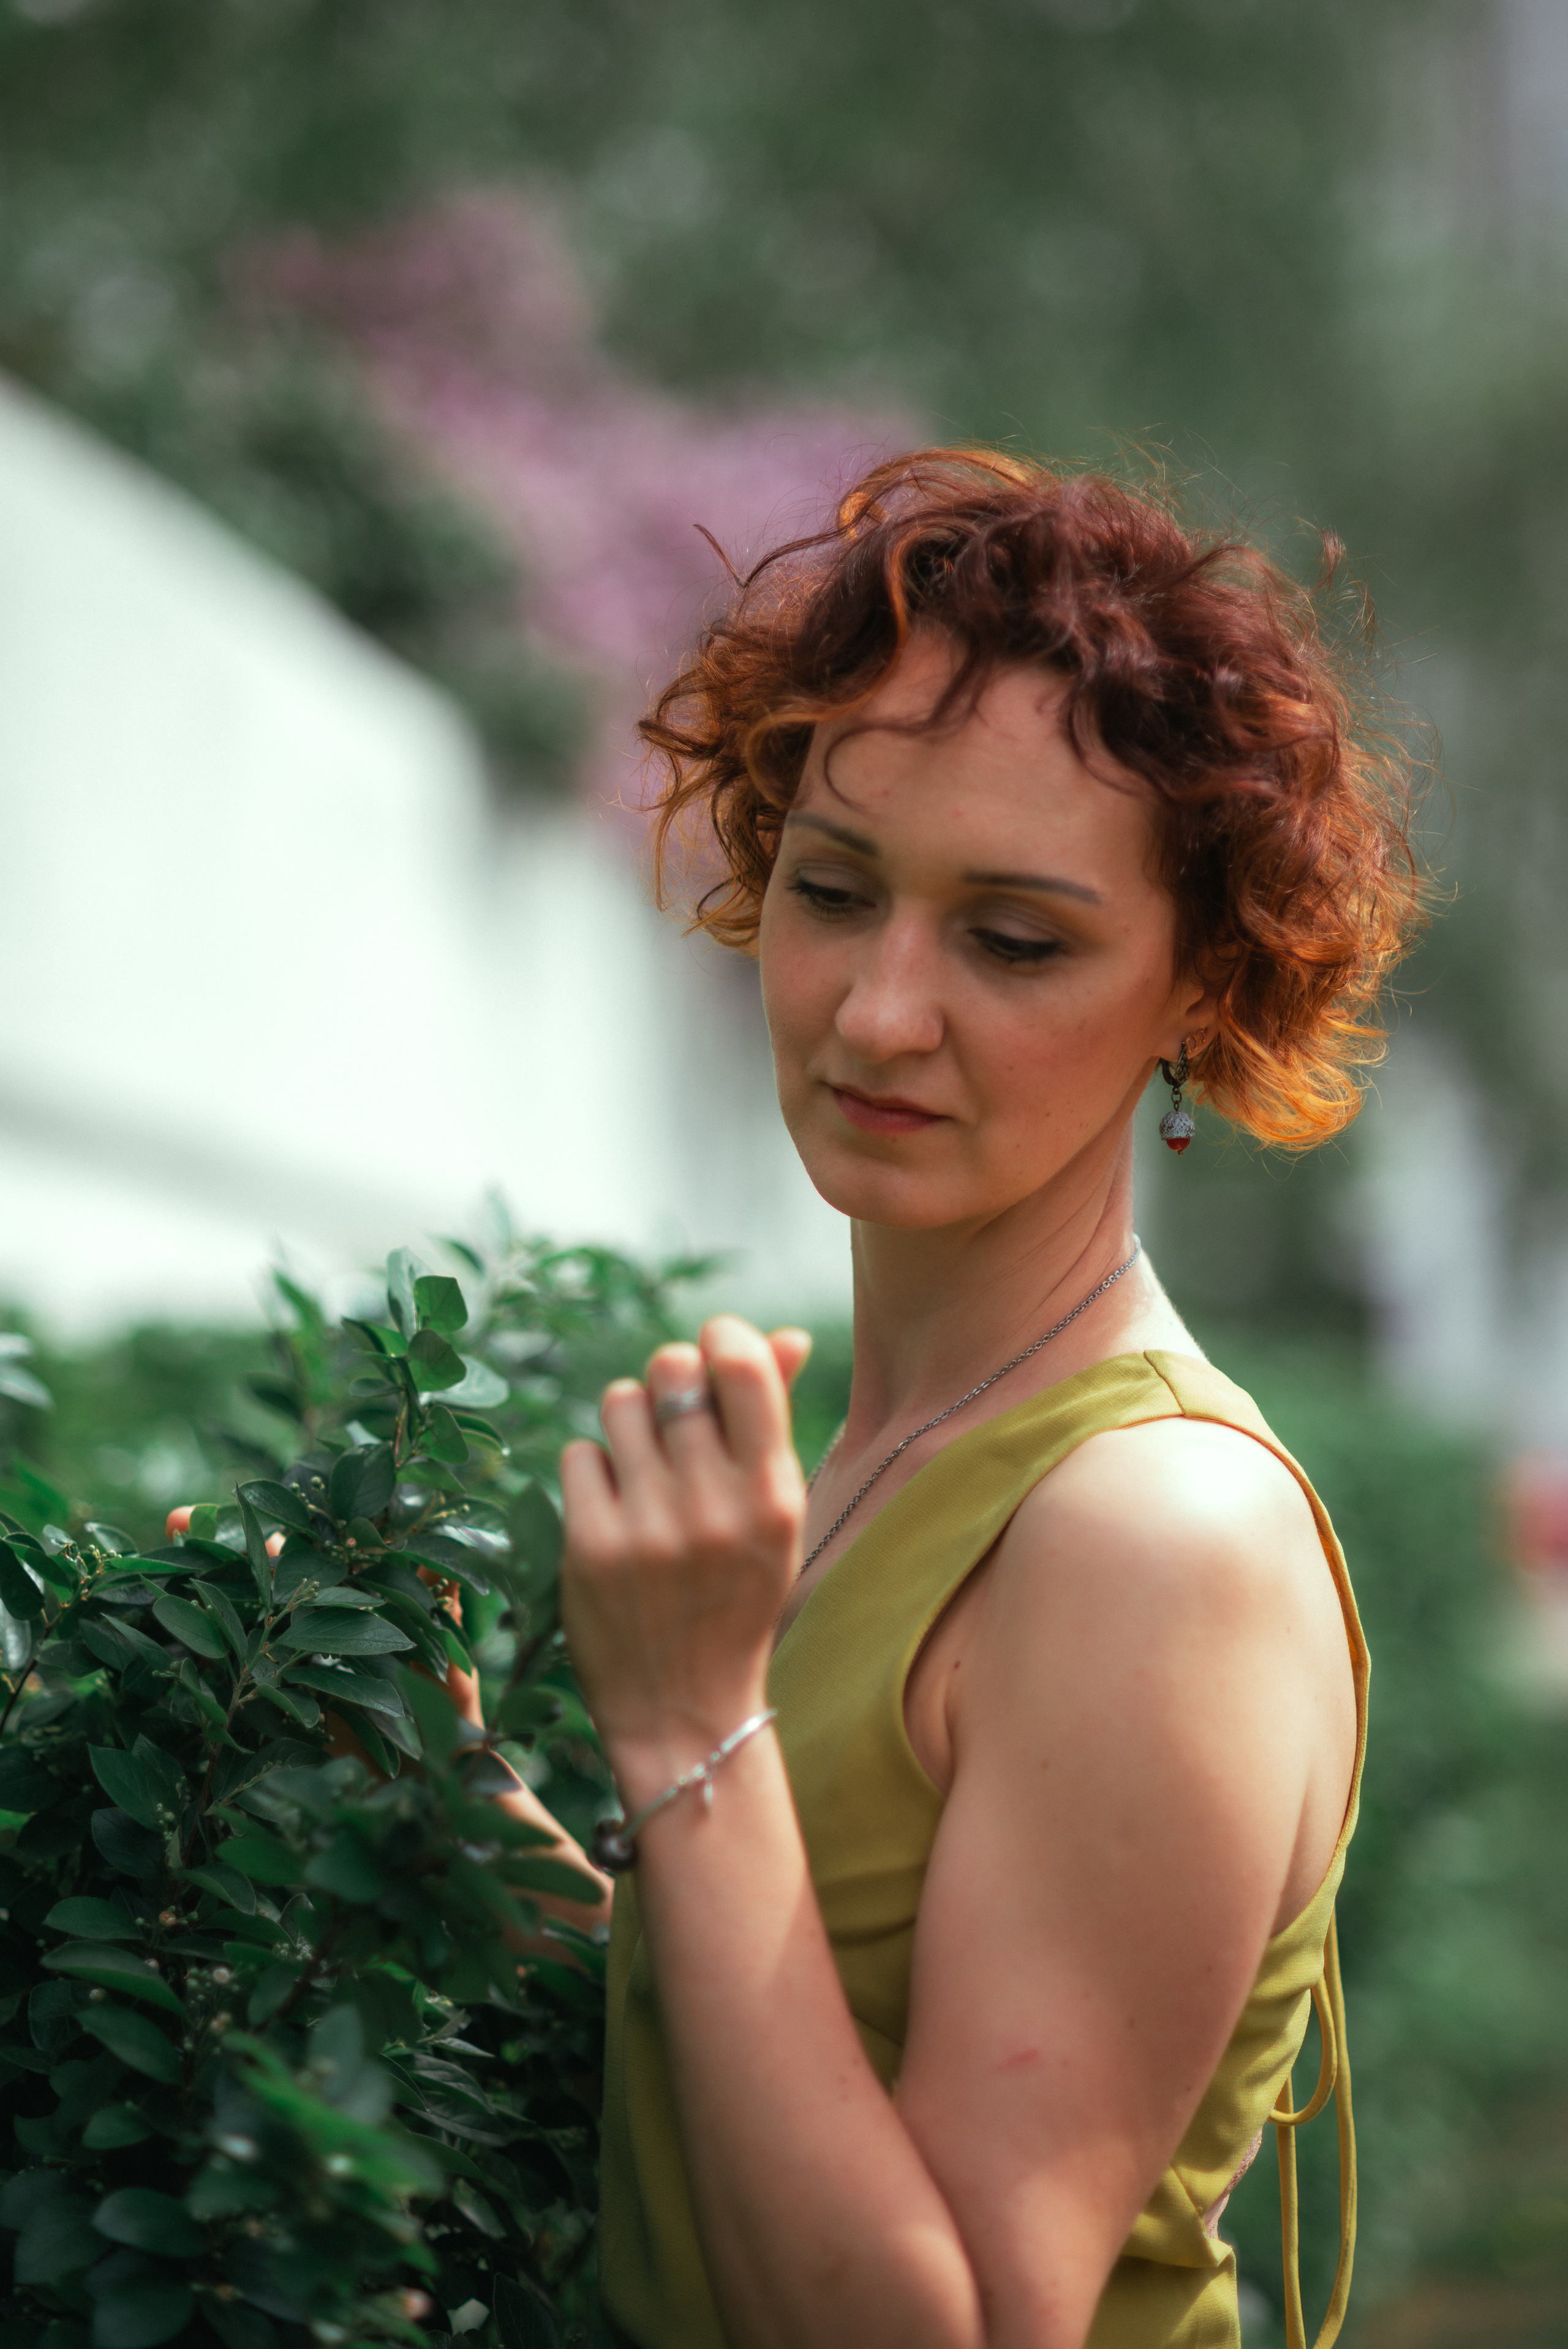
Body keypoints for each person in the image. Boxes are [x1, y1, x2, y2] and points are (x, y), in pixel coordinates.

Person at [481, 450, 1422, 2349]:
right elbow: (803, 2038)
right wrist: (464, 1836)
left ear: (1197, 981)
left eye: (1014, 938)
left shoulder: (1155, 1533)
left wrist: (684, 1726)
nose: (880, 1008)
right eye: (834, 889)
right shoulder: (884, 1440)